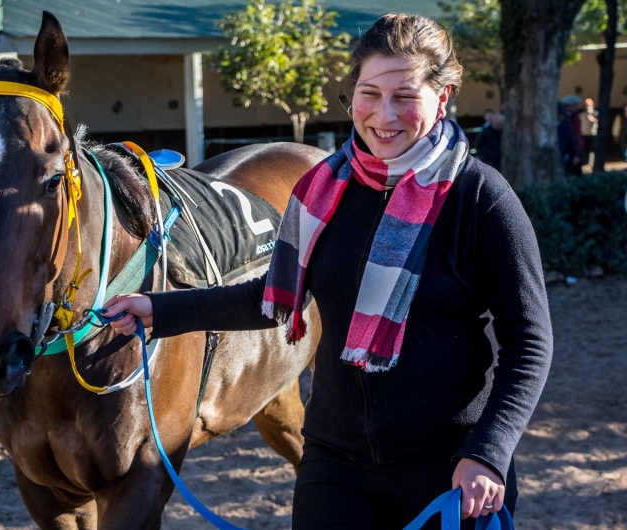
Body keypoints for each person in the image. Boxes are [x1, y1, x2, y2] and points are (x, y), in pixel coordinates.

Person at [105, 13, 552, 529]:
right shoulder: (323, 190)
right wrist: (159, 308)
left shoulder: (482, 198)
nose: (384, 115)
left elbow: (530, 341)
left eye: (405, 96)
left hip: (452, 467)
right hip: (335, 466)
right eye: (369, 93)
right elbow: (271, 298)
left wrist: (489, 452)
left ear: (442, 97)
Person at [557, 95, 584, 176]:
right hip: (568, 149)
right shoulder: (566, 120)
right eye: (574, 105)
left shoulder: (575, 117)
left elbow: (575, 134)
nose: (576, 107)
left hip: (574, 147)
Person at [580, 98, 598, 168]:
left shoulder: (595, 114)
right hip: (583, 134)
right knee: (584, 150)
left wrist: (593, 118)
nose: (588, 107)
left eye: (590, 105)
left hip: (592, 134)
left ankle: (591, 163)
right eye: (587, 105)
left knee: (592, 150)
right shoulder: (581, 115)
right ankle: (584, 163)